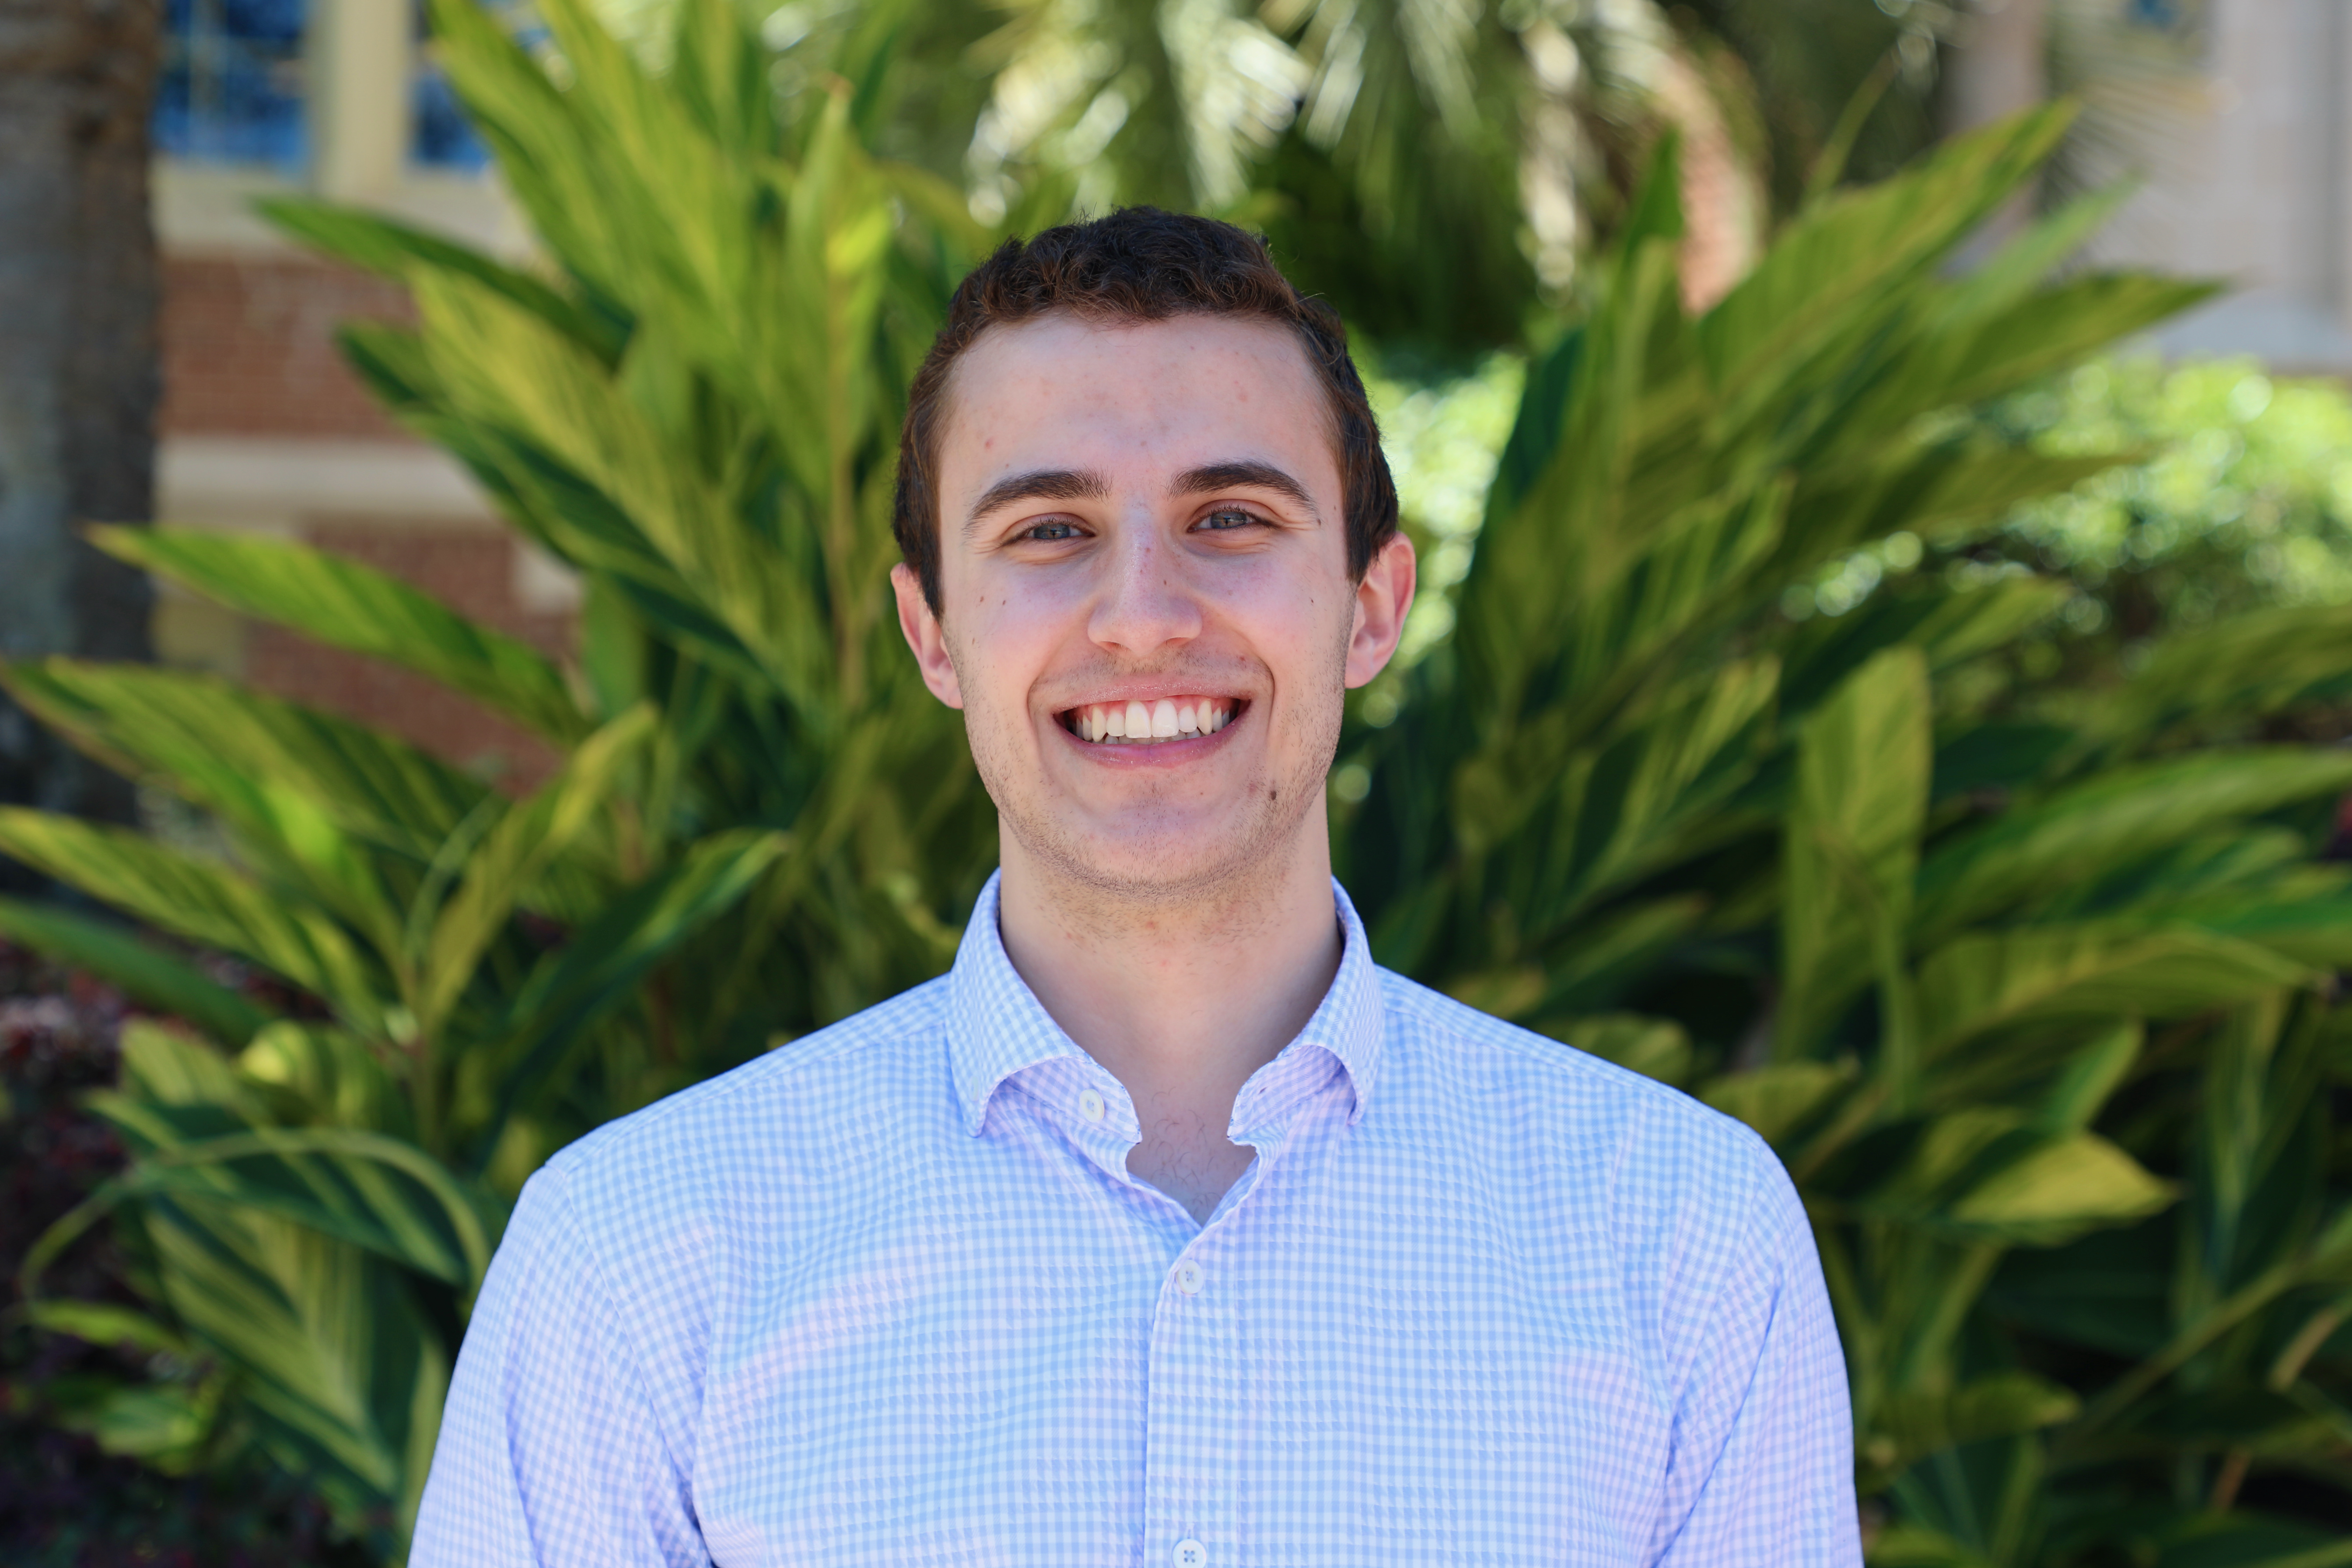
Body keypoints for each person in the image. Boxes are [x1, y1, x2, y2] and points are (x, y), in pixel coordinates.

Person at [410, 208, 1861, 1567]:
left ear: (1370, 606)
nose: (1145, 617)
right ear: (933, 635)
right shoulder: (639, 1257)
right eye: (1049, 531)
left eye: (1231, 518)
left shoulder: (1678, 1233)